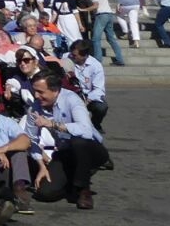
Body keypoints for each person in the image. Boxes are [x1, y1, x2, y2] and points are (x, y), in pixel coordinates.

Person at [25, 71, 108, 210]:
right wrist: (41, 166)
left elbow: (85, 131)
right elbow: (30, 139)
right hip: (65, 151)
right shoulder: (35, 108)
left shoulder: (71, 99)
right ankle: (71, 180)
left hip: (90, 149)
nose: (36, 96)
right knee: (44, 193)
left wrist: (53, 124)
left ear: (55, 90)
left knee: (78, 142)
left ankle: (84, 189)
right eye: (34, 91)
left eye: (40, 92)